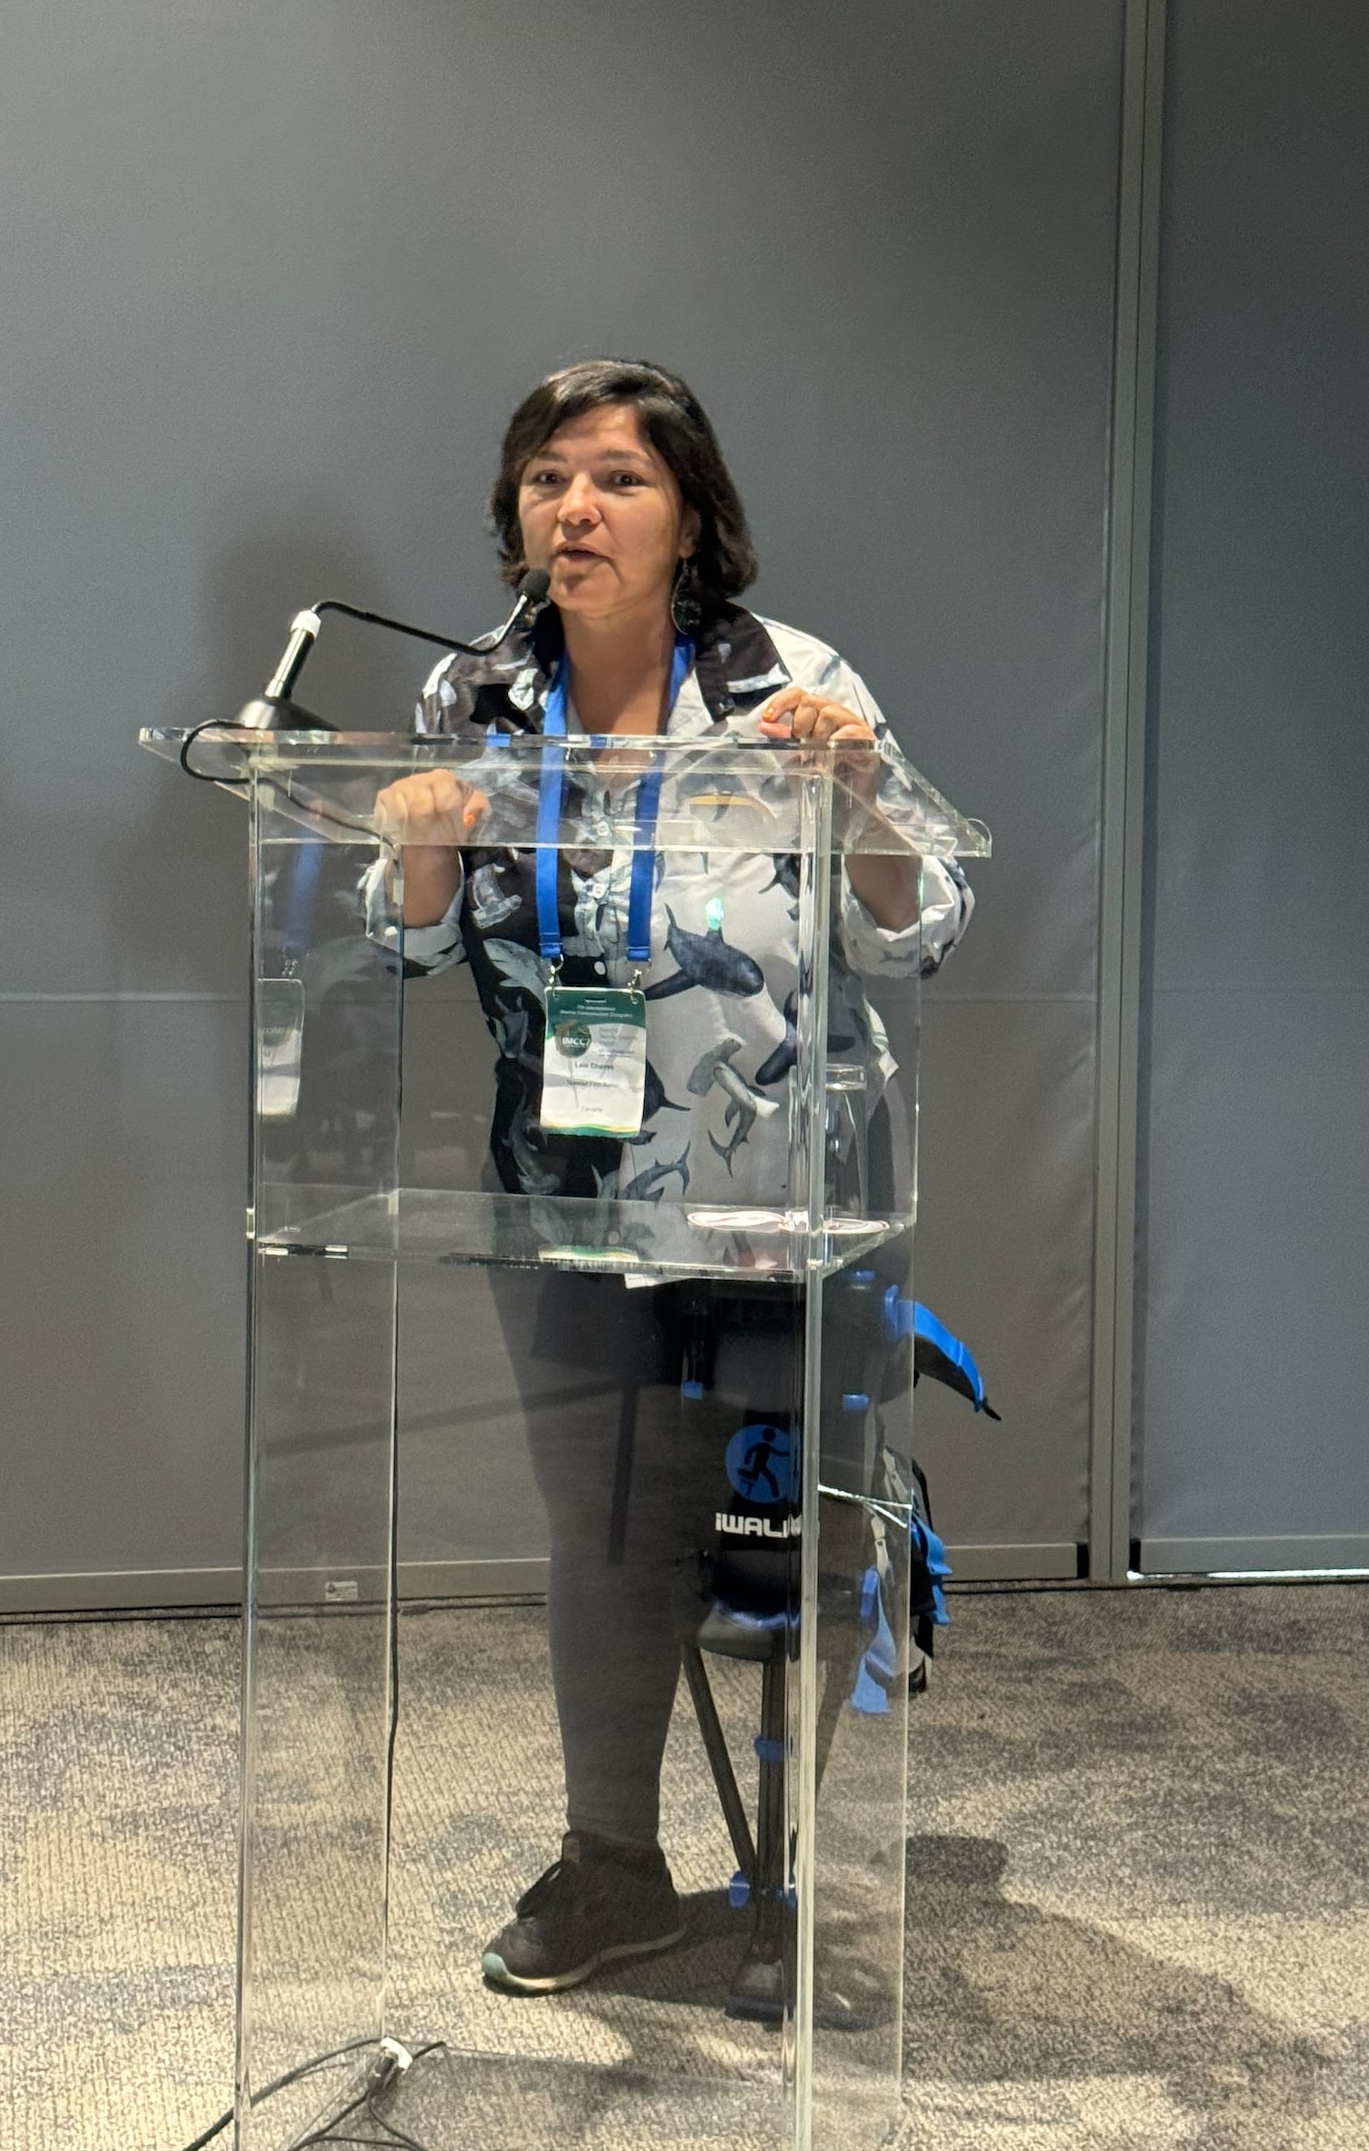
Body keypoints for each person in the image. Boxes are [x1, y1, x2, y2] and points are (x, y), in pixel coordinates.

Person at [373, 358, 973, 1997]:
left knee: (791, 1544)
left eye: (620, 478)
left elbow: (918, 922)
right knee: (606, 1537)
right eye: (547, 477)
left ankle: (793, 1890)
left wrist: (860, 805)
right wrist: (417, 852)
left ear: (693, 517)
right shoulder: (474, 699)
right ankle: (614, 1870)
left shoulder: (797, 686)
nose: (577, 507)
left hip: (787, 1185)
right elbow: (409, 942)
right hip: (565, 1194)